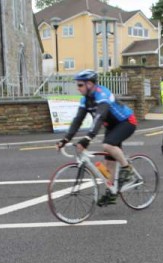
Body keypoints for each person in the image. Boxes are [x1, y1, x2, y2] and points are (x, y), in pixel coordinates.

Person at [56, 69, 137, 207]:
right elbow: (77, 120)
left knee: (107, 145)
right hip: (112, 126)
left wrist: (87, 138)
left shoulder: (102, 95)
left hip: (126, 122)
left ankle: (127, 168)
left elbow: (100, 117)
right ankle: (112, 192)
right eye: (77, 85)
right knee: (108, 163)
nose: (78, 88)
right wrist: (66, 139)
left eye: (80, 85)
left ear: (89, 84)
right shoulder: (86, 100)